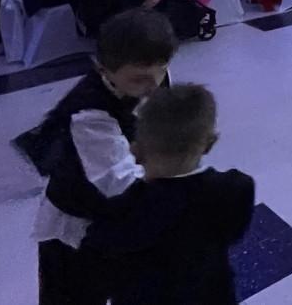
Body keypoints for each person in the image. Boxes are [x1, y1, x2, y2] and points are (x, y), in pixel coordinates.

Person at [29, 9, 176, 305]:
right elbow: (117, 180)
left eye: (161, 70)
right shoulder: (90, 114)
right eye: (140, 79)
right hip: (79, 220)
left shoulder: (147, 77)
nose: (153, 86)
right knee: (74, 294)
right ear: (103, 69)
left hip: (116, 213)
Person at [79, 84, 255, 305]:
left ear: (136, 150)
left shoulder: (127, 210)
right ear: (209, 144)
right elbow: (232, 233)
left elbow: (98, 263)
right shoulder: (234, 188)